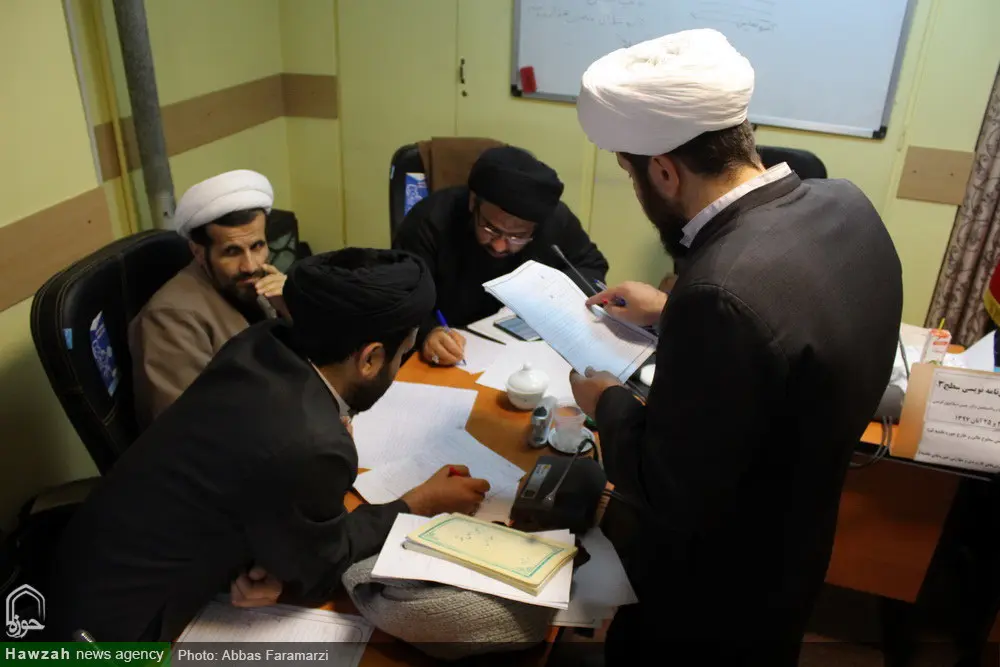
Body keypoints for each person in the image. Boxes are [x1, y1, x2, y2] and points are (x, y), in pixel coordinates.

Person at [569, 29, 903, 664]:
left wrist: (606, 400)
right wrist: (671, 311)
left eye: (633, 177)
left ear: (663, 171)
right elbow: (795, 334)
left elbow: (668, 488)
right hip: (796, 541)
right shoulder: (847, 205)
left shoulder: (720, 290)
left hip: (714, 591)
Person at [47, 248, 491, 642]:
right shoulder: (310, 443)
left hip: (80, 569)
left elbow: (244, 486)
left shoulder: (259, 344)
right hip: (124, 632)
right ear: (371, 358)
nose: (400, 364)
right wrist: (417, 503)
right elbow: (319, 572)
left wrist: (272, 560)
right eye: (402, 353)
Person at [393, 145, 609, 366]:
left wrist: (550, 297)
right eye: (490, 228)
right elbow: (399, 298)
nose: (499, 246)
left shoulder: (555, 221)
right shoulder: (429, 221)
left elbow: (591, 267)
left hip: (528, 352)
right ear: (473, 201)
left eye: (518, 236)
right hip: (455, 348)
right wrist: (427, 332)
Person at [128, 169, 289, 428]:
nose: (250, 265)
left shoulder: (253, 285)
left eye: (257, 246)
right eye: (232, 252)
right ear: (199, 253)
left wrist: (290, 310)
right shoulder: (169, 319)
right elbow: (191, 427)